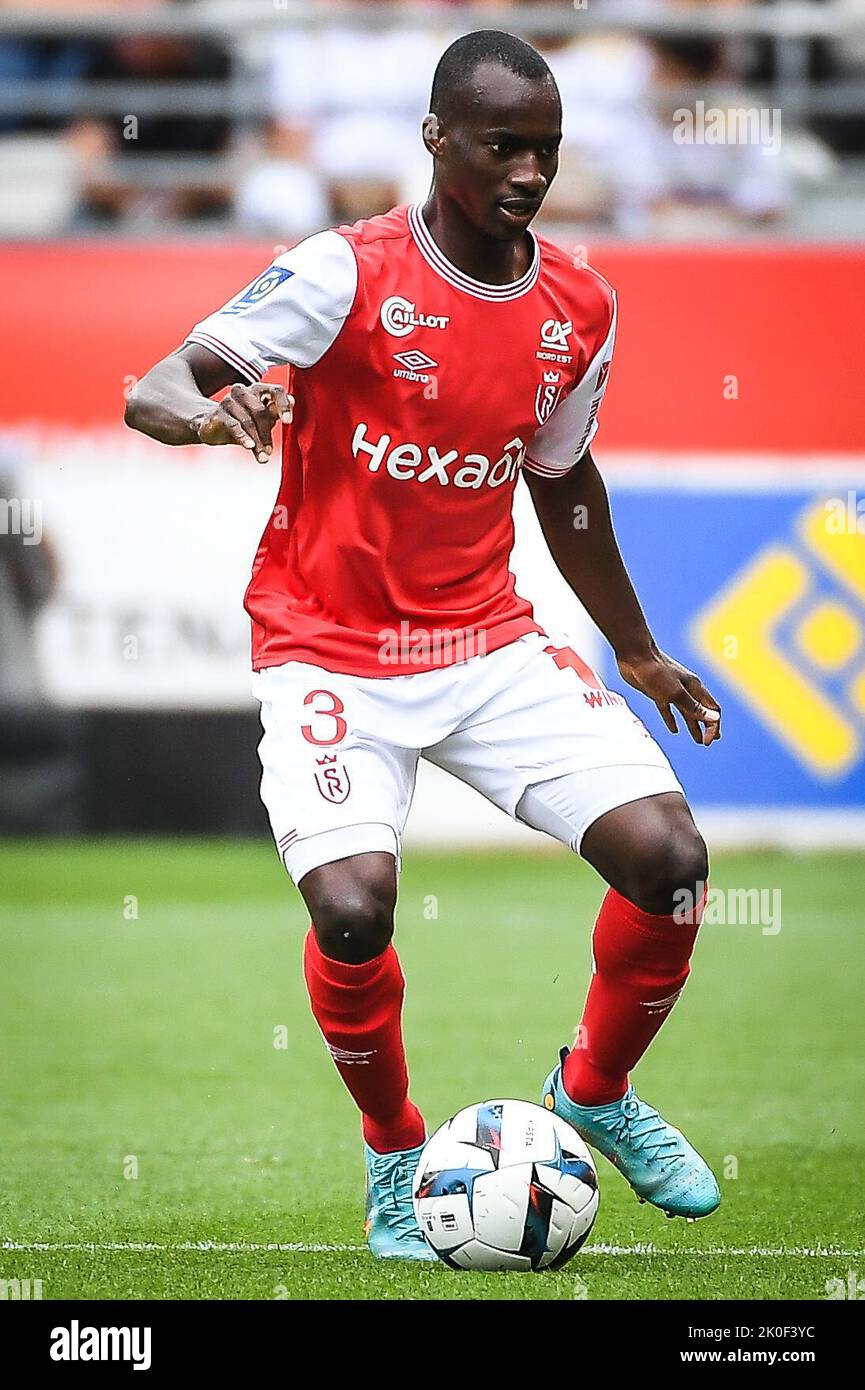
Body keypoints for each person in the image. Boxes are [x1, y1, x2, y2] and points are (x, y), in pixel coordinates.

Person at [125, 29, 723, 1262]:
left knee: (670, 859)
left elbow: (561, 484)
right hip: (327, 647)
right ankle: (396, 1151)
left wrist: (638, 648)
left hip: (486, 641)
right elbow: (157, 387)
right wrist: (214, 412)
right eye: (502, 144)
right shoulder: (342, 274)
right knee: (352, 906)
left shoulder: (580, 304)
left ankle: (593, 1090)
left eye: (545, 149)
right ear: (435, 139)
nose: (526, 172)